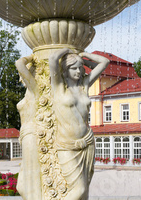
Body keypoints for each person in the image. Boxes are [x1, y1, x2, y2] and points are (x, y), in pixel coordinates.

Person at [49, 48, 109, 200]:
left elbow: (104, 62)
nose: (78, 71)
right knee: (79, 189)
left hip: (87, 142)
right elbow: (53, 59)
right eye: (73, 68)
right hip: (67, 145)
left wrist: (84, 57)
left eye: (80, 68)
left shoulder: (85, 86)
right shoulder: (58, 88)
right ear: (65, 69)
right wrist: (68, 50)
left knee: (84, 190)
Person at [15, 54, 42, 200]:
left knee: (29, 184)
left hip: (32, 136)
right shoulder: (28, 93)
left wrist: (31, 58)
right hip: (25, 137)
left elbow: (19, 63)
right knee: (22, 185)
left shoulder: (34, 90)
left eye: (22, 75)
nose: (20, 78)